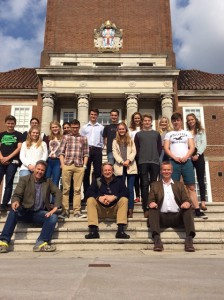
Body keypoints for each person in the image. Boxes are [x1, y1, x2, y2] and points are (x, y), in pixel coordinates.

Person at [0, 160, 62, 253]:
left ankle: (41, 243)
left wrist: (55, 207)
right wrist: (15, 201)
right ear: (34, 169)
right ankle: (3, 242)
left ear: (44, 171)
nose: (39, 172)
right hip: (25, 211)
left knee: (53, 217)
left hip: (39, 213)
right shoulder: (25, 179)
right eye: (38, 169)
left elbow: (58, 193)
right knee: (13, 212)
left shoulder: (47, 181)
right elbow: (17, 194)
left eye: (42, 170)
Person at [164, 112, 207, 219]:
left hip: (187, 162)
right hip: (174, 162)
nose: (176, 122)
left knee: (191, 186)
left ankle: (197, 210)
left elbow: (192, 147)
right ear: (172, 122)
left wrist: (186, 156)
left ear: (180, 121)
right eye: (174, 120)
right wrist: (174, 158)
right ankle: (175, 210)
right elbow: (166, 148)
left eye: (177, 120)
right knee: (174, 187)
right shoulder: (169, 134)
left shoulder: (187, 133)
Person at [148, 161, 196, 252]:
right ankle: (157, 240)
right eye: (164, 170)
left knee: (188, 208)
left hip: (177, 217)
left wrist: (186, 203)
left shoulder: (179, 185)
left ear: (172, 171)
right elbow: (150, 199)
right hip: (162, 217)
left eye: (168, 170)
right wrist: (151, 203)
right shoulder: (155, 185)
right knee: (152, 210)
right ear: (161, 171)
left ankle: (189, 240)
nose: (166, 172)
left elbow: (187, 199)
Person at [85, 162, 130, 239]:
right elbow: (88, 192)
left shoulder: (119, 181)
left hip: (114, 210)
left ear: (112, 171)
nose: (107, 172)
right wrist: (99, 198)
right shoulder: (97, 181)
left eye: (109, 170)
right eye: (105, 170)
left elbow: (126, 192)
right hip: (101, 210)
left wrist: (114, 197)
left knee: (124, 199)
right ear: (102, 172)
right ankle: (93, 231)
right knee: (90, 200)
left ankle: (120, 231)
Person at [59, 119, 89, 218]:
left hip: (79, 166)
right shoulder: (65, 137)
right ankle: (65, 211)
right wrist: (63, 165)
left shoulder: (83, 138)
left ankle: (77, 211)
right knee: (66, 189)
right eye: (73, 127)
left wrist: (84, 166)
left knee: (77, 189)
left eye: (76, 127)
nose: (75, 129)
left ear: (79, 127)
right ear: (71, 127)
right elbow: (61, 152)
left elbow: (86, 153)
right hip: (67, 165)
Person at [134, 114, 162, 217]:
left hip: (154, 162)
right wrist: (140, 157)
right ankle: (145, 207)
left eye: (148, 120)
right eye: (145, 120)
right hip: (142, 162)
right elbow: (136, 148)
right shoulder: (138, 134)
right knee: (144, 184)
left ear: (151, 122)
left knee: (154, 185)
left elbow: (159, 148)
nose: (146, 122)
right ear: (142, 122)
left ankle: (153, 206)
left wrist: (155, 156)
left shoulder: (156, 134)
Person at [112, 122, 137, 218]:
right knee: (121, 189)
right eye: (120, 129)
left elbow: (134, 151)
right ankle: (122, 208)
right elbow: (115, 153)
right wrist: (122, 162)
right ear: (117, 131)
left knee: (130, 189)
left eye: (123, 129)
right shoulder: (115, 141)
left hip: (130, 166)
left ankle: (130, 209)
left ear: (126, 130)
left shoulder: (130, 140)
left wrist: (128, 160)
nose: (121, 130)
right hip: (120, 167)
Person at [0, 115, 23, 211]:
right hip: (1, 161)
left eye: (12, 123)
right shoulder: (1, 134)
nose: (10, 125)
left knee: (9, 183)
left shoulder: (19, 134)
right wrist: (1, 158)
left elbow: (19, 148)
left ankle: (4, 204)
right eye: (8, 123)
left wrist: (8, 158)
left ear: (15, 124)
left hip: (12, 161)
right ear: (5, 123)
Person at [80, 108, 104, 196]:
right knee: (86, 172)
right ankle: (87, 194)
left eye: (95, 115)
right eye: (92, 114)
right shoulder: (84, 127)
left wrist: (101, 148)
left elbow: (102, 140)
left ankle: (98, 193)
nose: (93, 116)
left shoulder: (101, 127)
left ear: (97, 116)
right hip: (87, 150)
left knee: (98, 172)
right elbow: (81, 140)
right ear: (89, 115)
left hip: (97, 150)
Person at [186, 113, 207, 211]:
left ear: (195, 120)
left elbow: (204, 143)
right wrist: (190, 155)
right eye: (189, 120)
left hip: (199, 156)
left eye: (192, 119)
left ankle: (203, 201)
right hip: (189, 157)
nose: (191, 121)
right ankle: (191, 201)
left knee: (201, 179)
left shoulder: (201, 131)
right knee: (189, 180)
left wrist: (198, 154)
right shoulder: (186, 133)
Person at [45, 121, 62, 201]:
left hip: (58, 161)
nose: (54, 129)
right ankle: (46, 201)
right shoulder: (47, 138)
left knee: (55, 180)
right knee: (47, 180)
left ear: (59, 127)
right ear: (50, 129)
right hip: (49, 161)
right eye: (53, 127)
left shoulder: (63, 137)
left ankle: (54, 201)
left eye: (56, 127)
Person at [129, 112, 143, 204]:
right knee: (136, 176)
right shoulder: (130, 130)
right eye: (135, 118)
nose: (137, 120)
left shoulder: (144, 129)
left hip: (143, 154)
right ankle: (137, 196)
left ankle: (145, 195)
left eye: (138, 118)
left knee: (143, 176)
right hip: (133, 155)